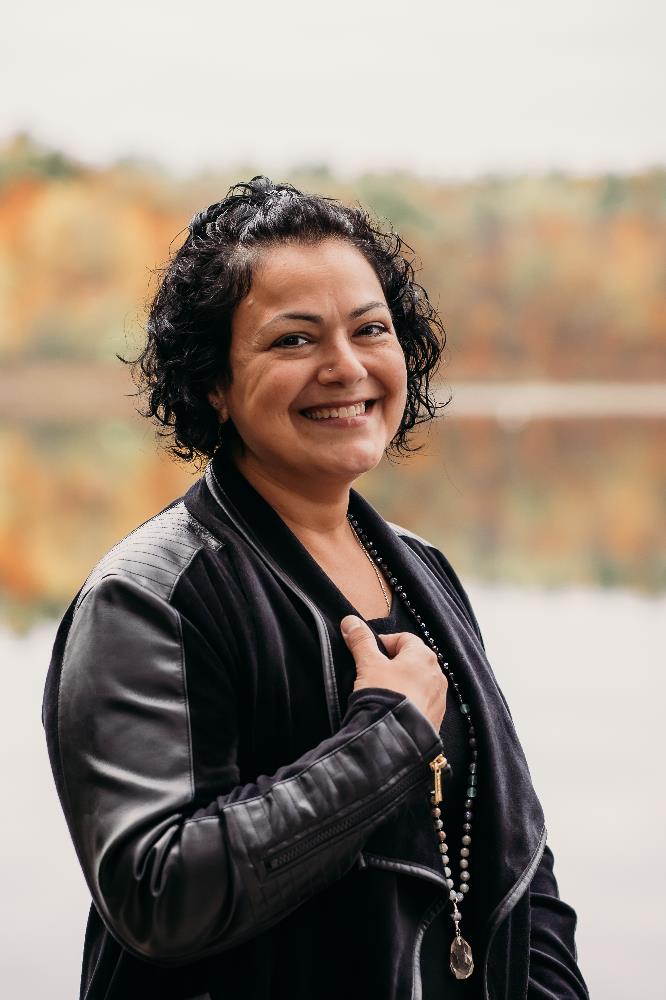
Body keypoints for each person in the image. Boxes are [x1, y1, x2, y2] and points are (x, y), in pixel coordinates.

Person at [42, 176, 589, 1000]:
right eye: (294, 340)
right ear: (214, 382)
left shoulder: (423, 569)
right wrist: (387, 737)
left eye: (370, 329)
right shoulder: (148, 598)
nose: (346, 367)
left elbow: (516, 861)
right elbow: (159, 896)